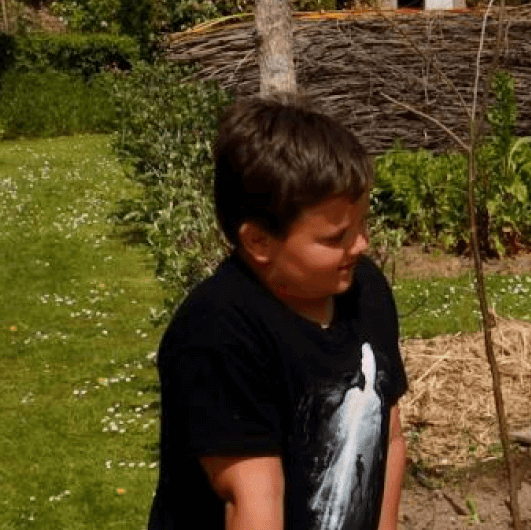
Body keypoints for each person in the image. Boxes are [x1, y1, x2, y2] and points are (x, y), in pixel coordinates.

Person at [149, 93, 407, 530]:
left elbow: (390, 439)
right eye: (335, 237)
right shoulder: (219, 331)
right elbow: (252, 501)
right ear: (259, 242)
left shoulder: (367, 293)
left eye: (363, 223)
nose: (362, 244)